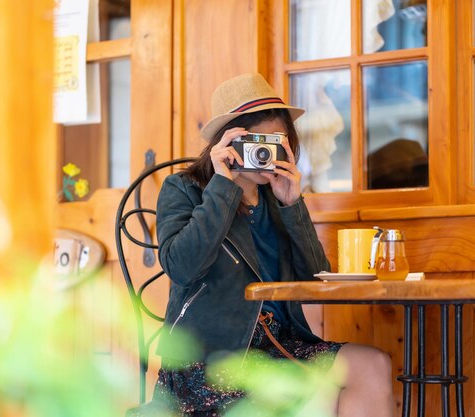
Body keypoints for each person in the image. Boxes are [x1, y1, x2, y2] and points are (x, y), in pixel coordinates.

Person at [152, 73, 394, 417]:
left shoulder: (276, 197)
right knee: (308, 391)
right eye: (255, 141)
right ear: (226, 144)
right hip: (209, 356)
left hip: (278, 344)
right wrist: (223, 185)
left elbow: (313, 280)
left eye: (277, 140)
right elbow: (182, 266)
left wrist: (293, 204)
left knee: (373, 364)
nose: (268, 151)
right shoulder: (185, 189)